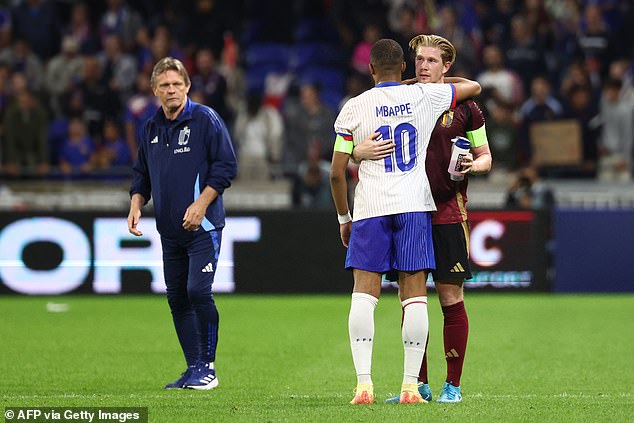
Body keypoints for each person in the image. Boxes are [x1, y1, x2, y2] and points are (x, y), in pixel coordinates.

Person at [330, 38, 481, 405]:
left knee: (364, 295)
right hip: (414, 206)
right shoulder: (424, 98)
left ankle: (363, 385)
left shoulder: (355, 106)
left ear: (369, 70)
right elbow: (472, 87)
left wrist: (343, 217)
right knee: (414, 297)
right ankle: (411, 387)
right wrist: (419, 84)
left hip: (370, 208)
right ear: (404, 69)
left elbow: (335, 174)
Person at [128, 57, 237, 390]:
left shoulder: (206, 119)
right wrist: (135, 204)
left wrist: (201, 205)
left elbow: (226, 167)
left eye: (177, 84)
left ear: (188, 86)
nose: (171, 90)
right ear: (154, 91)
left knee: (197, 292)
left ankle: (209, 368)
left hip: (202, 228)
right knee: (176, 297)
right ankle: (193, 368)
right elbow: (141, 175)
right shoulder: (150, 128)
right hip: (169, 232)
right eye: (165, 85)